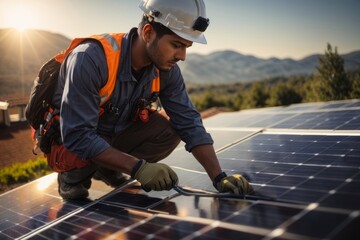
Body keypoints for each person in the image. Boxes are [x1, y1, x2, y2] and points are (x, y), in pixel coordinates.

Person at [50, 0, 253, 200]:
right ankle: (72, 177)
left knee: (169, 129)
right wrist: (138, 168)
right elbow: (77, 135)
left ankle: (106, 167)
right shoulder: (90, 59)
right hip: (71, 139)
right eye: (176, 45)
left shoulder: (165, 70)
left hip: (113, 133)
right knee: (83, 146)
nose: (182, 56)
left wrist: (219, 177)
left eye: (187, 47)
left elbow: (188, 122)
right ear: (148, 33)